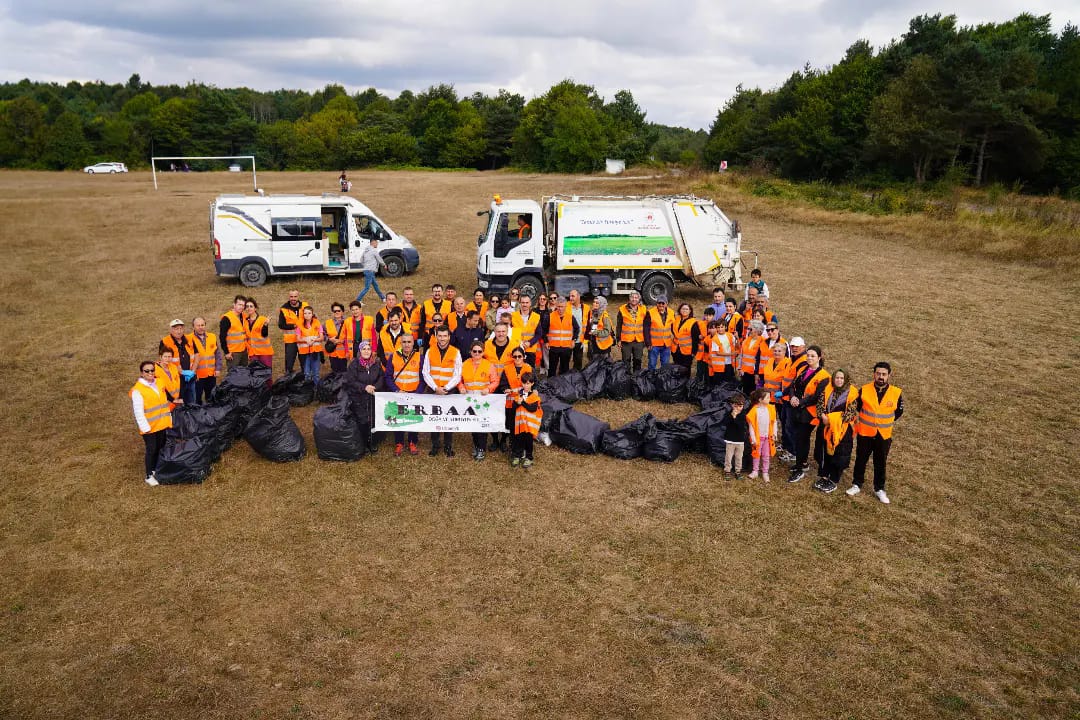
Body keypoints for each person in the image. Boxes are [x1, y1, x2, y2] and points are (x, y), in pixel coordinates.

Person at [847, 362, 905, 504]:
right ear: (874, 374)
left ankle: (879, 489)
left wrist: (883, 422)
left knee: (880, 462)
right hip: (865, 433)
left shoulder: (896, 393)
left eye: (884, 374)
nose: (881, 377)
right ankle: (856, 484)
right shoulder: (864, 390)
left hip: (883, 435)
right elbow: (857, 408)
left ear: (889, 375)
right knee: (861, 459)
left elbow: (898, 412)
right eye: (878, 373)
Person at [785, 345, 829, 483]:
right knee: (799, 437)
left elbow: (817, 396)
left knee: (802, 439)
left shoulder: (824, 376)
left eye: (813, 356)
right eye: (808, 355)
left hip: (810, 413)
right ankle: (802, 463)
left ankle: (800, 468)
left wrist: (800, 402)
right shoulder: (803, 369)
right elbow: (793, 385)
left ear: (819, 358)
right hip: (798, 409)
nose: (809, 358)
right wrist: (792, 397)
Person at [131, 360, 177, 486]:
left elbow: (164, 403)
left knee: (160, 447)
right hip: (149, 427)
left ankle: (156, 469)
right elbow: (138, 412)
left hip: (162, 424)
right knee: (151, 449)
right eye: (147, 371)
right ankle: (149, 475)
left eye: (152, 370)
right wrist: (145, 428)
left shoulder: (159, 382)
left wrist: (168, 418)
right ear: (142, 373)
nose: (150, 373)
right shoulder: (137, 390)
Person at [814, 368, 858, 494]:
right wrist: (823, 416)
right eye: (837, 378)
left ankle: (833, 479)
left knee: (838, 454)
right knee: (824, 451)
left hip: (842, 430)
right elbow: (820, 405)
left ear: (846, 379)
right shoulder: (828, 389)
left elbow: (850, 414)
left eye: (841, 378)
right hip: (825, 427)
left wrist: (830, 420)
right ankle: (824, 475)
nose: (839, 380)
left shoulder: (852, 393)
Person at [422, 326, 462, 457]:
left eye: (445, 336)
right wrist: (435, 388)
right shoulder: (429, 351)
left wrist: (446, 388)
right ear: (435, 336)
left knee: (448, 418)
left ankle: (448, 445)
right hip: (433, 390)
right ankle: (435, 445)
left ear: (449, 337)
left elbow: (457, 374)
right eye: (440, 336)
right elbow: (425, 372)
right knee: (434, 418)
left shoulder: (455, 352)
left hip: (448, 391)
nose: (442, 338)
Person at [460, 340, 499, 460]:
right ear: (470, 352)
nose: (477, 353)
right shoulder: (464, 364)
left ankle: (481, 448)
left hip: (483, 400)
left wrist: (489, 389)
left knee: (481, 425)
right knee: (473, 424)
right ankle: (476, 446)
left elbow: (495, 381)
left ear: (483, 352)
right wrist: (461, 387)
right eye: (474, 351)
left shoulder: (489, 365)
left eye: (479, 351)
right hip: (469, 400)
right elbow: (458, 380)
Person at [385, 334, 422, 456]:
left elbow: (423, 377)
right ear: (401, 343)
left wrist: (418, 393)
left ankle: (412, 442)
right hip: (399, 394)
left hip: (414, 393)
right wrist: (396, 390)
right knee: (398, 418)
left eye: (409, 342)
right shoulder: (393, 356)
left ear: (413, 343)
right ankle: (399, 443)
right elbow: (388, 376)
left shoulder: (419, 357)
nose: (407, 344)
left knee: (413, 417)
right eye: (404, 342)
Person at [345, 341, 385, 453]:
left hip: (373, 396)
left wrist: (375, 387)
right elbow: (351, 381)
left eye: (368, 349)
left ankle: (372, 442)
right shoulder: (354, 365)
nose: (366, 351)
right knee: (362, 421)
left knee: (373, 419)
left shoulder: (376, 363)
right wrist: (364, 387)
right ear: (360, 351)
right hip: (359, 398)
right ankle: (363, 443)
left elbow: (381, 377)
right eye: (364, 349)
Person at [497, 347, 532, 452]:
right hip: (510, 402)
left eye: (519, 356)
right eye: (515, 356)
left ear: (524, 357)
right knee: (509, 423)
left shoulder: (528, 368)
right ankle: (505, 441)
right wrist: (505, 389)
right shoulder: (507, 368)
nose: (517, 358)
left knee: (521, 424)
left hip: (524, 402)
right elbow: (503, 384)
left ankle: (519, 445)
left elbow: (534, 383)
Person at [778, 336, 808, 463]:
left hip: (793, 399)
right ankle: (786, 446)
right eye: (792, 346)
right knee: (785, 423)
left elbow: (795, 382)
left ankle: (793, 452)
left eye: (797, 346)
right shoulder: (793, 359)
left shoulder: (803, 362)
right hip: (786, 397)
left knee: (791, 426)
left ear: (803, 347)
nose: (794, 348)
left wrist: (786, 393)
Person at [187, 316, 224, 404]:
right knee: (196, 399)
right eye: (198, 325)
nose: (200, 327)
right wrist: (192, 372)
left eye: (202, 325)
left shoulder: (212, 336)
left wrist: (218, 368)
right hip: (197, 376)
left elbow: (217, 354)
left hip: (211, 374)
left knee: (211, 398)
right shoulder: (188, 339)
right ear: (193, 327)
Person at [159, 319, 195, 405]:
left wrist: (192, 372)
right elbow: (164, 360)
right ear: (171, 330)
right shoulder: (165, 341)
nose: (179, 331)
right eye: (176, 329)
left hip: (190, 376)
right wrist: (181, 372)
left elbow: (197, 355)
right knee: (180, 402)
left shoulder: (189, 339)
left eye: (181, 328)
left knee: (192, 400)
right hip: (176, 379)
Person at [510, 371, 542, 468]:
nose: (526, 385)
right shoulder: (518, 395)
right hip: (520, 425)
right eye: (524, 383)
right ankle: (517, 456)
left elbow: (532, 409)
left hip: (529, 426)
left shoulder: (534, 397)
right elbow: (513, 407)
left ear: (532, 383)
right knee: (518, 440)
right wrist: (517, 403)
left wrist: (522, 402)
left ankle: (529, 457)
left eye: (528, 383)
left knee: (528, 441)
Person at [747, 389, 778, 483]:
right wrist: (753, 439)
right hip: (758, 438)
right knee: (756, 454)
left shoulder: (771, 409)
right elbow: (751, 427)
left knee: (766, 455)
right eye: (767, 397)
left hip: (767, 438)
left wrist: (774, 433)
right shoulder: (754, 411)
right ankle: (755, 471)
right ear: (760, 399)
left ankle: (765, 472)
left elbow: (774, 422)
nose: (770, 399)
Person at [738, 320, 773, 396]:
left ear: (757, 330)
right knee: (745, 393)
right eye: (748, 329)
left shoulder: (763, 342)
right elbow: (741, 355)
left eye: (751, 329)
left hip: (755, 373)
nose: (748, 331)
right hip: (744, 372)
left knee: (754, 394)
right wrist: (739, 368)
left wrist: (759, 373)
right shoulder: (746, 340)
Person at [277, 290, 309, 374]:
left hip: (303, 339)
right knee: (289, 363)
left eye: (295, 296)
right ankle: (288, 378)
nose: (293, 298)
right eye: (291, 296)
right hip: (291, 340)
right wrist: (293, 326)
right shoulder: (284, 309)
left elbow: (312, 318)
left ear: (298, 297)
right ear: (289, 297)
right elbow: (281, 325)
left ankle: (306, 378)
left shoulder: (305, 306)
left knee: (305, 362)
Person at [545, 295, 577, 376]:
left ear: (565, 306)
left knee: (565, 368)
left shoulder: (571, 317)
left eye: (562, 307)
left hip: (566, 347)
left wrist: (574, 340)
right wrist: (546, 341)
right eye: (558, 306)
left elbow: (577, 329)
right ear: (556, 306)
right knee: (552, 368)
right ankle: (551, 382)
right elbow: (544, 330)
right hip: (553, 347)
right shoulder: (550, 316)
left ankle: (563, 382)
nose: (560, 308)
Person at [644, 296, 675, 370]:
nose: (661, 305)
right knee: (652, 364)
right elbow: (646, 329)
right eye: (659, 303)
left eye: (663, 303)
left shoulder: (671, 312)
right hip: (654, 345)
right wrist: (648, 343)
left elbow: (674, 327)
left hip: (666, 344)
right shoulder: (650, 313)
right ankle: (651, 376)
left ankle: (663, 377)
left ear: (666, 304)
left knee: (665, 364)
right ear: (656, 304)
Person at [297, 306, 325, 387]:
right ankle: (308, 390)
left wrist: (313, 340)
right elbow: (298, 339)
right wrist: (306, 340)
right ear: (303, 314)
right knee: (307, 373)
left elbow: (322, 338)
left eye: (309, 313)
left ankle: (317, 390)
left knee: (316, 373)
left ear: (312, 314)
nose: (307, 315)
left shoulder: (317, 323)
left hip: (315, 352)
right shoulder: (300, 324)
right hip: (304, 353)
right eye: (305, 313)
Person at [721, 393, 747, 480]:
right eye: (736, 406)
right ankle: (727, 471)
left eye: (740, 406)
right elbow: (725, 423)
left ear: (743, 405)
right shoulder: (728, 414)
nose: (738, 408)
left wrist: (735, 417)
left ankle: (738, 471)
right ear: (732, 405)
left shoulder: (743, 414)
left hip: (740, 440)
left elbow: (741, 425)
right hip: (730, 440)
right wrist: (731, 416)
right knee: (728, 457)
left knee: (739, 457)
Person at [243, 299, 274, 373]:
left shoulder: (262, 319)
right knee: (255, 374)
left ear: (255, 308)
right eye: (247, 306)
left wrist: (265, 325)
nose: (249, 308)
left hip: (264, 352)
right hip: (253, 353)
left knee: (266, 373)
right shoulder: (245, 321)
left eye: (251, 306)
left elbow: (264, 334)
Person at [220, 295, 249, 370]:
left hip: (244, 351)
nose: (241, 307)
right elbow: (222, 337)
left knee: (244, 373)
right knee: (233, 374)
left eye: (243, 305)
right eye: (239, 304)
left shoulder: (244, 316)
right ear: (234, 304)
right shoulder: (226, 318)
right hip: (233, 353)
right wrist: (226, 352)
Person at [355, 237, 388, 302]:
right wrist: (384, 265)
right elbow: (379, 259)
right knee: (367, 287)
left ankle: (383, 298)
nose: (377, 244)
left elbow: (361, 260)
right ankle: (358, 300)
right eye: (377, 243)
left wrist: (366, 266)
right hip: (370, 271)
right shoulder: (374, 251)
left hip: (367, 270)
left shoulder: (365, 251)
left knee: (375, 285)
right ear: (373, 242)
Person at [514, 295, 543, 366]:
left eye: (527, 302)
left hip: (530, 349)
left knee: (530, 370)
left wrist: (530, 342)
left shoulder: (536, 316)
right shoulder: (513, 316)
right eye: (523, 302)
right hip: (516, 349)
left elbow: (539, 333)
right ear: (519, 303)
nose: (525, 304)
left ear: (530, 303)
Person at [708, 320, 738, 386]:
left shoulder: (730, 335)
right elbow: (717, 353)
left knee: (728, 382)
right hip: (719, 366)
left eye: (722, 327)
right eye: (718, 327)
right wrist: (731, 354)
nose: (720, 329)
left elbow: (737, 346)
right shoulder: (715, 338)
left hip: (729, 363)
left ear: (725, 327)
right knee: (719, 383)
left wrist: (737, 338)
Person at [324, 302, 351, 373]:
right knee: (334, 373)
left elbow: (351, 336)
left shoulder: (348, 323)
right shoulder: (327, 323)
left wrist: (343, 341)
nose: (336, 312)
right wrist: (329, 339)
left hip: (343, 353)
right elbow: (322, 334)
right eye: (334, 311)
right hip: (332, 352)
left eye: (338, 310)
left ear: (342, 312)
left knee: (343, 373)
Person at [568, 289, 590, 370]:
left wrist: (586, 340)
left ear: (578, 296)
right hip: (568, 340)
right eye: (570, 296)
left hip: (580, 340)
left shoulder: (586, 308)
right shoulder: (566, 306)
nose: (570, 298)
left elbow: (588, 324)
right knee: (565, 362)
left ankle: (576, 376)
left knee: (578, 362)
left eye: (573, 296)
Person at [672, 303, 698, 369]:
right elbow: (673, 330)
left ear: (690, 311)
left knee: (685, 369)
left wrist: (694, 352)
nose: (684, 310)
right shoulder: (676, 319)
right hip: (676, 349)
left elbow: (695, 339)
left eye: (686, 309)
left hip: (687, 351)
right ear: (680, 310)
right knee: (676, 369)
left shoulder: (693, 322)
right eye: (683, 309)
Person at [695, 307, 716, 379]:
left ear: (713, 316)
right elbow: (694, 333)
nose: (707, 317)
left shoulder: (716, 325)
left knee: (708, 372)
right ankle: (698, 383)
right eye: (706, 315)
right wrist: (698, 336)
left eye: (710, 315)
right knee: (699, 371)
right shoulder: (700, 324)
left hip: (709, 353)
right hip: (701, 353)